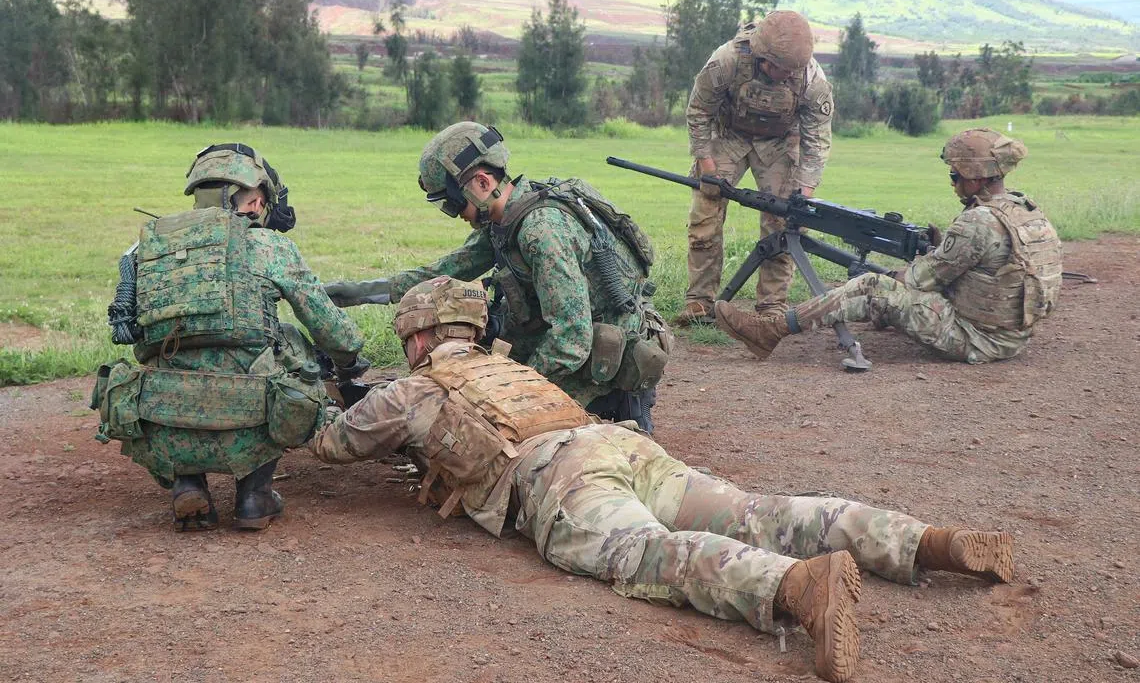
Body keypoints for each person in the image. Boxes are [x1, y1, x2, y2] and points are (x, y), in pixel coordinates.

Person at [310, 275, 1016, 683]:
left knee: (645, 553)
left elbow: (335, 445)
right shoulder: (511, 366)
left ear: (421, 337)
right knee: (761, 510)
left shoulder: (415, 390)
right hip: (622, 445)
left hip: (562, 479)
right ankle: (927, 542)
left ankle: (796, 587)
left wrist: (327, 404)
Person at [323, 122, 670, 431]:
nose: (455, 215)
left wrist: (513, 391)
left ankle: (615, 413)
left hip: (603, 361)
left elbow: (571, 339)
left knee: (492, 428)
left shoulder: (540, 232)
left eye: (452, 204)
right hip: (576, 342)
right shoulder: (505, 221)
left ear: (482, 182)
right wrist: (354, 293)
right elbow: (446, 271)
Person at [91, 143, 368, 532]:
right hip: (250, 407)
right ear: (255, 199)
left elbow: (131, 331)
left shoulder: (148, 250)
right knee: (293, 348)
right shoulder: (270, 245)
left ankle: (189, 485)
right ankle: (254, 495)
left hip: (162, 411)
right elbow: (328, 326)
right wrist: (348, 361)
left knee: (168, 363)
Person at [715, 128, 1062, 364]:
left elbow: (917, 281)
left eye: (955, 176)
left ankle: (769, 331)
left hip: (977, 339)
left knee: (871, 284)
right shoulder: (1025, 210)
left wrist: (894, 273)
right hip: (1014, 337)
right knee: (882, 289)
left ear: (977, 176)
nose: (953, 184)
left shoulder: (978, 222)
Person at [676, 10, 835, 326]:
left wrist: (804, 191)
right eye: (779, 69)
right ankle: (699, 301)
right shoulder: (727, 61)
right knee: (705, 215)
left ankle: (772, 305)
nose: (785, 76)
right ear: (763, 59)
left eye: (790, 71)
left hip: (779, 145)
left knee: (784, 221)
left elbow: (817, 140)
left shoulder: (811, 81)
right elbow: (698, 112)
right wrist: (706, 164)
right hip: (728, 136)